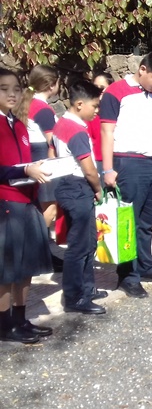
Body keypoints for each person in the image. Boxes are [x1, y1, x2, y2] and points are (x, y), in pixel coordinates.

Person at [100, 51, 152, 298]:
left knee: (147, 221)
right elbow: (106, 132)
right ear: (142, 69)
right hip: (128, 163)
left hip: (151, 163)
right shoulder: (116, 92)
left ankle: (146, 266)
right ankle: (128, 276)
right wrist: (108, 169)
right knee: (128, 222)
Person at [0, 67, 53, 343]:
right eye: (4, 89)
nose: (12, 94)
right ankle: (4, 325)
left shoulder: (19, 124)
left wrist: (36, 168)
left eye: (16, 89)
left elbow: (23, 163)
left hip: (27, 200)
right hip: (6, 203)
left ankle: (20, 320)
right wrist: (24, 170)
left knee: (27, 266)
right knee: (7, 270)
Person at [52, 80, 106, 314]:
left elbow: (52, 151)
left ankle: (87, 288)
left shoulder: (61, 123)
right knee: (79, 245)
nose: (97, 111)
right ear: (80, 104)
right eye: (94, 106)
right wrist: (98, 189)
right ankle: (75, 297)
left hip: (68, 185)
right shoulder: (76, 130)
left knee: (88, 241)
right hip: (78, 186)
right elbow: (89, 168)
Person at [20, 65, 62, 270]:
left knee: (39, 207)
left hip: (31, 157)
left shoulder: (27, 102)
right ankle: (39, 251)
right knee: (49, 208)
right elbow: (52, 140)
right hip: (44, 157)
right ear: (52, 85)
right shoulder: (43, 109)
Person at [88, 72, 114, 170]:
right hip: (97, 161)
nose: (98, 91)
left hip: (115, 159)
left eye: (102, 88)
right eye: (95, 88)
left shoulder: (116, 110)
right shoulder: (89, 112)